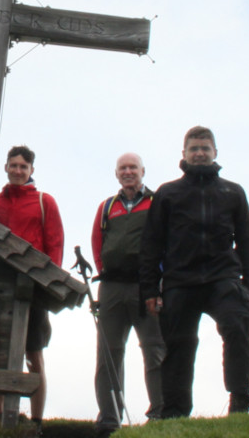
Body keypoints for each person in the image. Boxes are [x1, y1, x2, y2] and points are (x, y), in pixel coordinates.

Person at [140, 126, 249, 418]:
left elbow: (248, 241)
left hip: (224, 279)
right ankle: (176, 413)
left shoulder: (233, 192)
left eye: (205, 148)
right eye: (194, 148)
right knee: (179, 346)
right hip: (180, 281)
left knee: (238, 327)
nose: (199, 153)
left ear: (215, 153)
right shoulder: (168, 194)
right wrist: (150, 290)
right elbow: (151, 245)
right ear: (183, 154)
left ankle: (240, 398)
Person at [0, 145, 64, 433]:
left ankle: (36, 422)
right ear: (6, 168)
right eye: (14, 165)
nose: (18, 171)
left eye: (24, 167)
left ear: (32, 171)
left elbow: (54, 245)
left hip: (33, 291)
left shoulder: (45, 202)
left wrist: (49, 287)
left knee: (34, 355)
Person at [90, 153, 165, 437]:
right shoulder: (107, 206)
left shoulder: (157, 203)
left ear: (143, 171)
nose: (128, 172)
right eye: (123, 168)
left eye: (133, 167)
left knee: (154, 350)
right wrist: (103, 270)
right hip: (110, 288)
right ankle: (109, 418)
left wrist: (160, 284)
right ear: (116, 173)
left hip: (147, 287)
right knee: (108, 354)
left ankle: (159, 413)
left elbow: (166, 242)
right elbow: (98, 243)